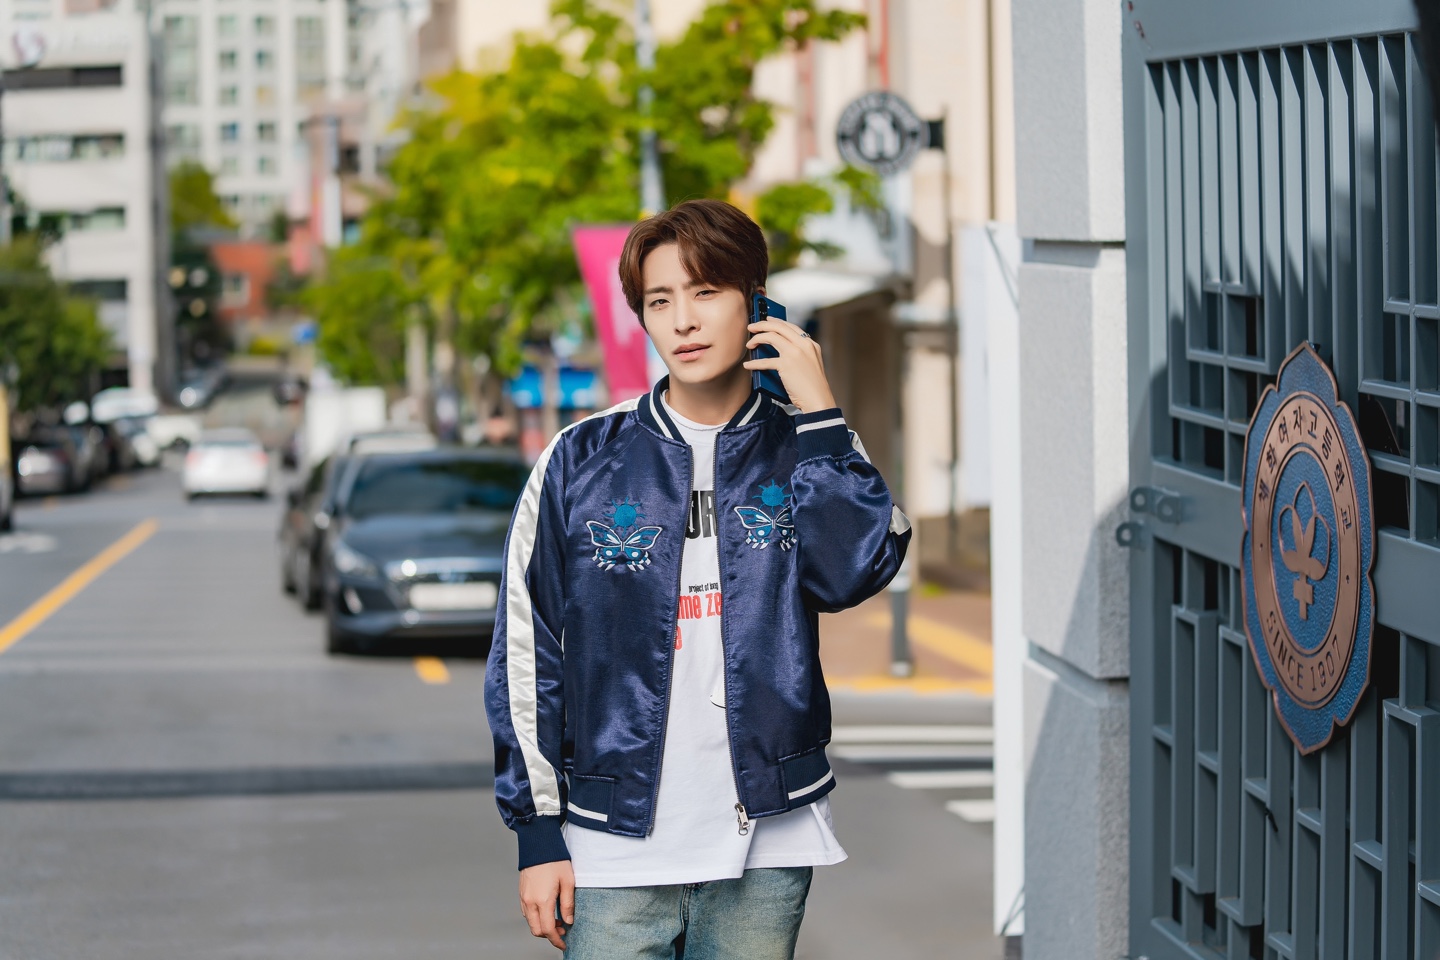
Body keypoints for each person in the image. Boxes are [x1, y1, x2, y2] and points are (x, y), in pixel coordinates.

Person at [485, 198, 910, 959]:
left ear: (756, 301)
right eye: (660, 300)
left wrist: (819, 412)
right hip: (611, 840)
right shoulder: (579, 461)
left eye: (706, 291)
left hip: (769, 836)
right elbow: (527, 650)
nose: (683, 320)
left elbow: (853, 572)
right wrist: (538, 829)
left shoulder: (810, 448)